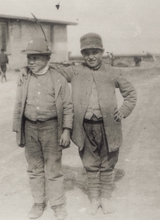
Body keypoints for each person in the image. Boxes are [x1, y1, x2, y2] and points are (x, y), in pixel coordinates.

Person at [48, 33, 137, 215]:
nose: (91, 57)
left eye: (95, 52)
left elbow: (131, 94)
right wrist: (49, 56)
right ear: (82, 55)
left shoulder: (112, 72)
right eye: (86, 53)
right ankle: (94, 199)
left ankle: (105, 198)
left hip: (108, 127)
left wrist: (123, 111)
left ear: (102, 52)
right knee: (90, 163)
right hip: (84, 127)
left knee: (107, 163)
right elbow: (53, 70)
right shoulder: (76, 71)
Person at [13, 38, 73, 220]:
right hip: (30, 128)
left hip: (51, 128)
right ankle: (38, 203)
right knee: (34, 168)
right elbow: (18, 104)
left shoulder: (58, 78)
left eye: (36, 58)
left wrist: (66, 130)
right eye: (29, 58)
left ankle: (58, 204)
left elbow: (68, 106)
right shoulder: (24, 77)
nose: (31, 62)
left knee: (53, 168)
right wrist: (18, 128)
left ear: (47, 58)